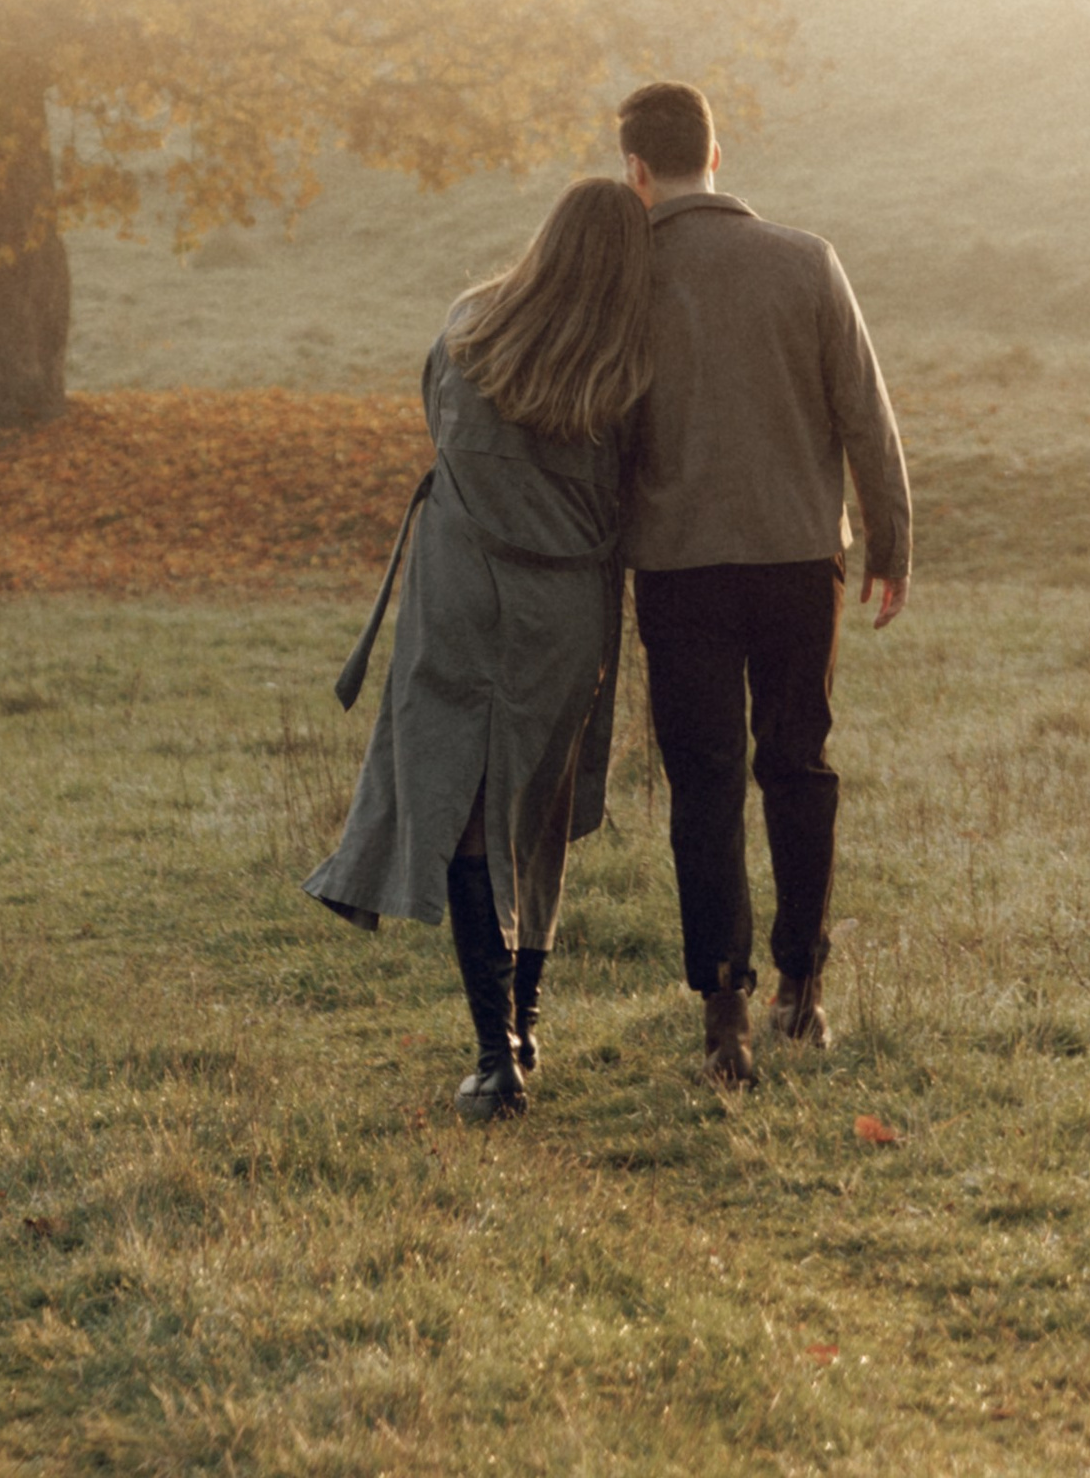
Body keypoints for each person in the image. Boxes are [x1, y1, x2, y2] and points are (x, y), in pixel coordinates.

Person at [305, 175, 652, 1121]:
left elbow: (440, 430)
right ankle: (524, 1023)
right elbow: (637, 491)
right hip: (563, 608)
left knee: (464, 805)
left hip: (459, 590)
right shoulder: (627, 366)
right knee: (531, 809)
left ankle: (497, 1056)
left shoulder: (469, 328)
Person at [620, 77, 911, 1091]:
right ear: (717, 155)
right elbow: (866, 417)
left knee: (703, 786)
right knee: (798, 762)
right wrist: (891, 544)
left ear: (636, 171)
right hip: (799, 558)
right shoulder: (805, 260)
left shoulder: (625, 273)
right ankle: (804, 992)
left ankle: (723, 1019)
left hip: (679, 565)